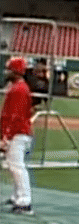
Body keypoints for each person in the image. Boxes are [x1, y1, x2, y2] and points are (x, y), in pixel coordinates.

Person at [2, 56, 35, 215]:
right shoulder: (18, 87)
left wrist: (6, 137)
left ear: (15, 72)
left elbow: (14, 116)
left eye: (9, 69)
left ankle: (24, 202)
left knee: (17, 167)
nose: (6, 72)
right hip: (19, 132)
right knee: (14, 166)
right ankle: (17, 197)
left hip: (18, 133)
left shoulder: (18, 89)